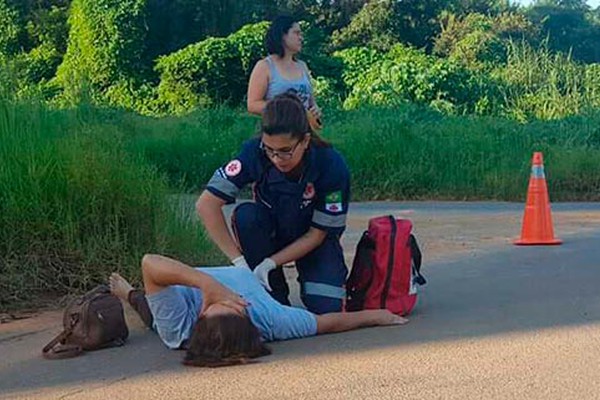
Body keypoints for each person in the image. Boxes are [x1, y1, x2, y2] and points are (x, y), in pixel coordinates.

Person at [109, 254, 408, 368]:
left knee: (158, 322)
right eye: (232, 306)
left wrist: (206, 285)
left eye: (214, 307)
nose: (226, 300)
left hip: (182, 293)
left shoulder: (181, 327)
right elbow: (326, 323)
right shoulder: (273, 321)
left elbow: (150, 263)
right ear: (246, 314)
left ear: (200, 319)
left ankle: (128, 293)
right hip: (247, 275)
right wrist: (377, 316)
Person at [196, 93, 349, 314]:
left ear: (305, 140)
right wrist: (240, 263)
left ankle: (308, 277)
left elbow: (317, 235)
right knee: (246, 216)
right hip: (271, 234)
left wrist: (272, 262)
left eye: (286, 151)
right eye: (270, 150)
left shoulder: (331, 164)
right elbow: (206, 204)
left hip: (313, 240)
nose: (277, 158)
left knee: (327, 307)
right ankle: (272, 290)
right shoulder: (253, 152)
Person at [247, 15, 322, 129]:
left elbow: (311, 102)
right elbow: (253, 105)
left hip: (307, 134)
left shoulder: (302, 66)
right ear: (282, 35)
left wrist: (315, 110)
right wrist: (288, 111)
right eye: (296, 33)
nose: (301, 38)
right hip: (278, 134)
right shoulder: (265, 66)